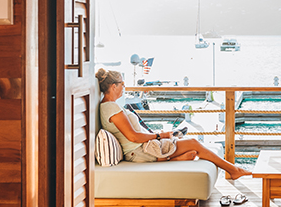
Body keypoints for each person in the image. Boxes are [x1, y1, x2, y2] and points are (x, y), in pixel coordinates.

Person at [96, 68, 251, 179]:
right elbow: (133, 137)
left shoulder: (110, 106)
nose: (125, 87)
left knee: (191, 148)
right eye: (122, 84)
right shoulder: (110, 107)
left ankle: (173, 159)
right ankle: (234, 170)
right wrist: (159, 135)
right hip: (138, 152)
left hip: (140, 149)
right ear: (114, 86)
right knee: (194, 143)